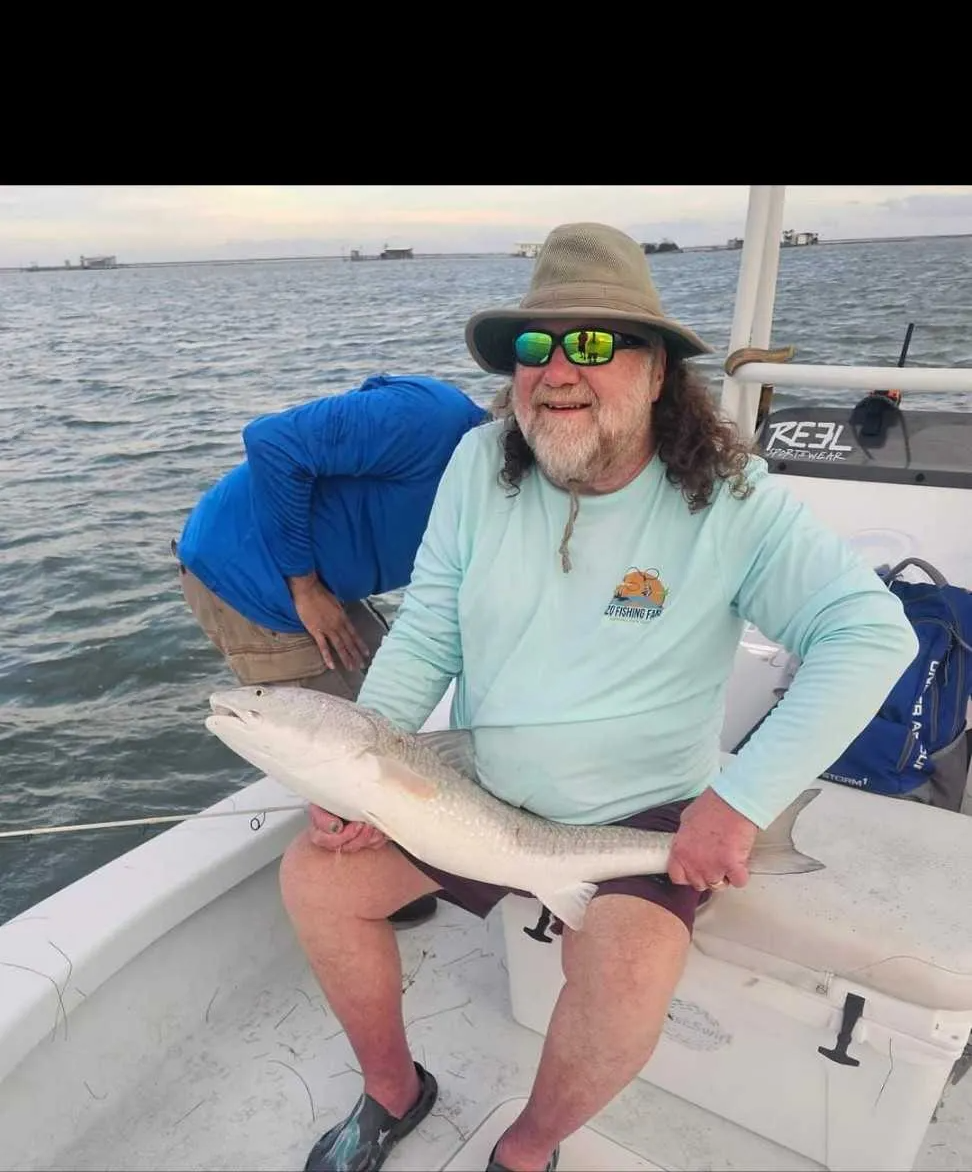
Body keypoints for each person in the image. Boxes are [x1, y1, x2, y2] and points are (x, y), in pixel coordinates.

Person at [277, 224, 919, 1172]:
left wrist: (738, 804)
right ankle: (393, 1090)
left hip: (638, 811)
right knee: (315, 880)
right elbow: (427, 632)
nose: (557, 370)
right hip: (479, 791)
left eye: (592, 342)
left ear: (657, 370)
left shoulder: (731, 498)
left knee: (626, 974)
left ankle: (526, 1148)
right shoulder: (477, 465)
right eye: (535, 346)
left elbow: (871, 634)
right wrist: (362, 767)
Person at [173, 372, 489, 929]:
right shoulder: (434, 420)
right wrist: (304, 586)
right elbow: (272, 440)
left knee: (385, 712)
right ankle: (355, 895)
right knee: (335, 752)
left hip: (330, 583)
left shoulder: (504, 494)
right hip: (248, 579)